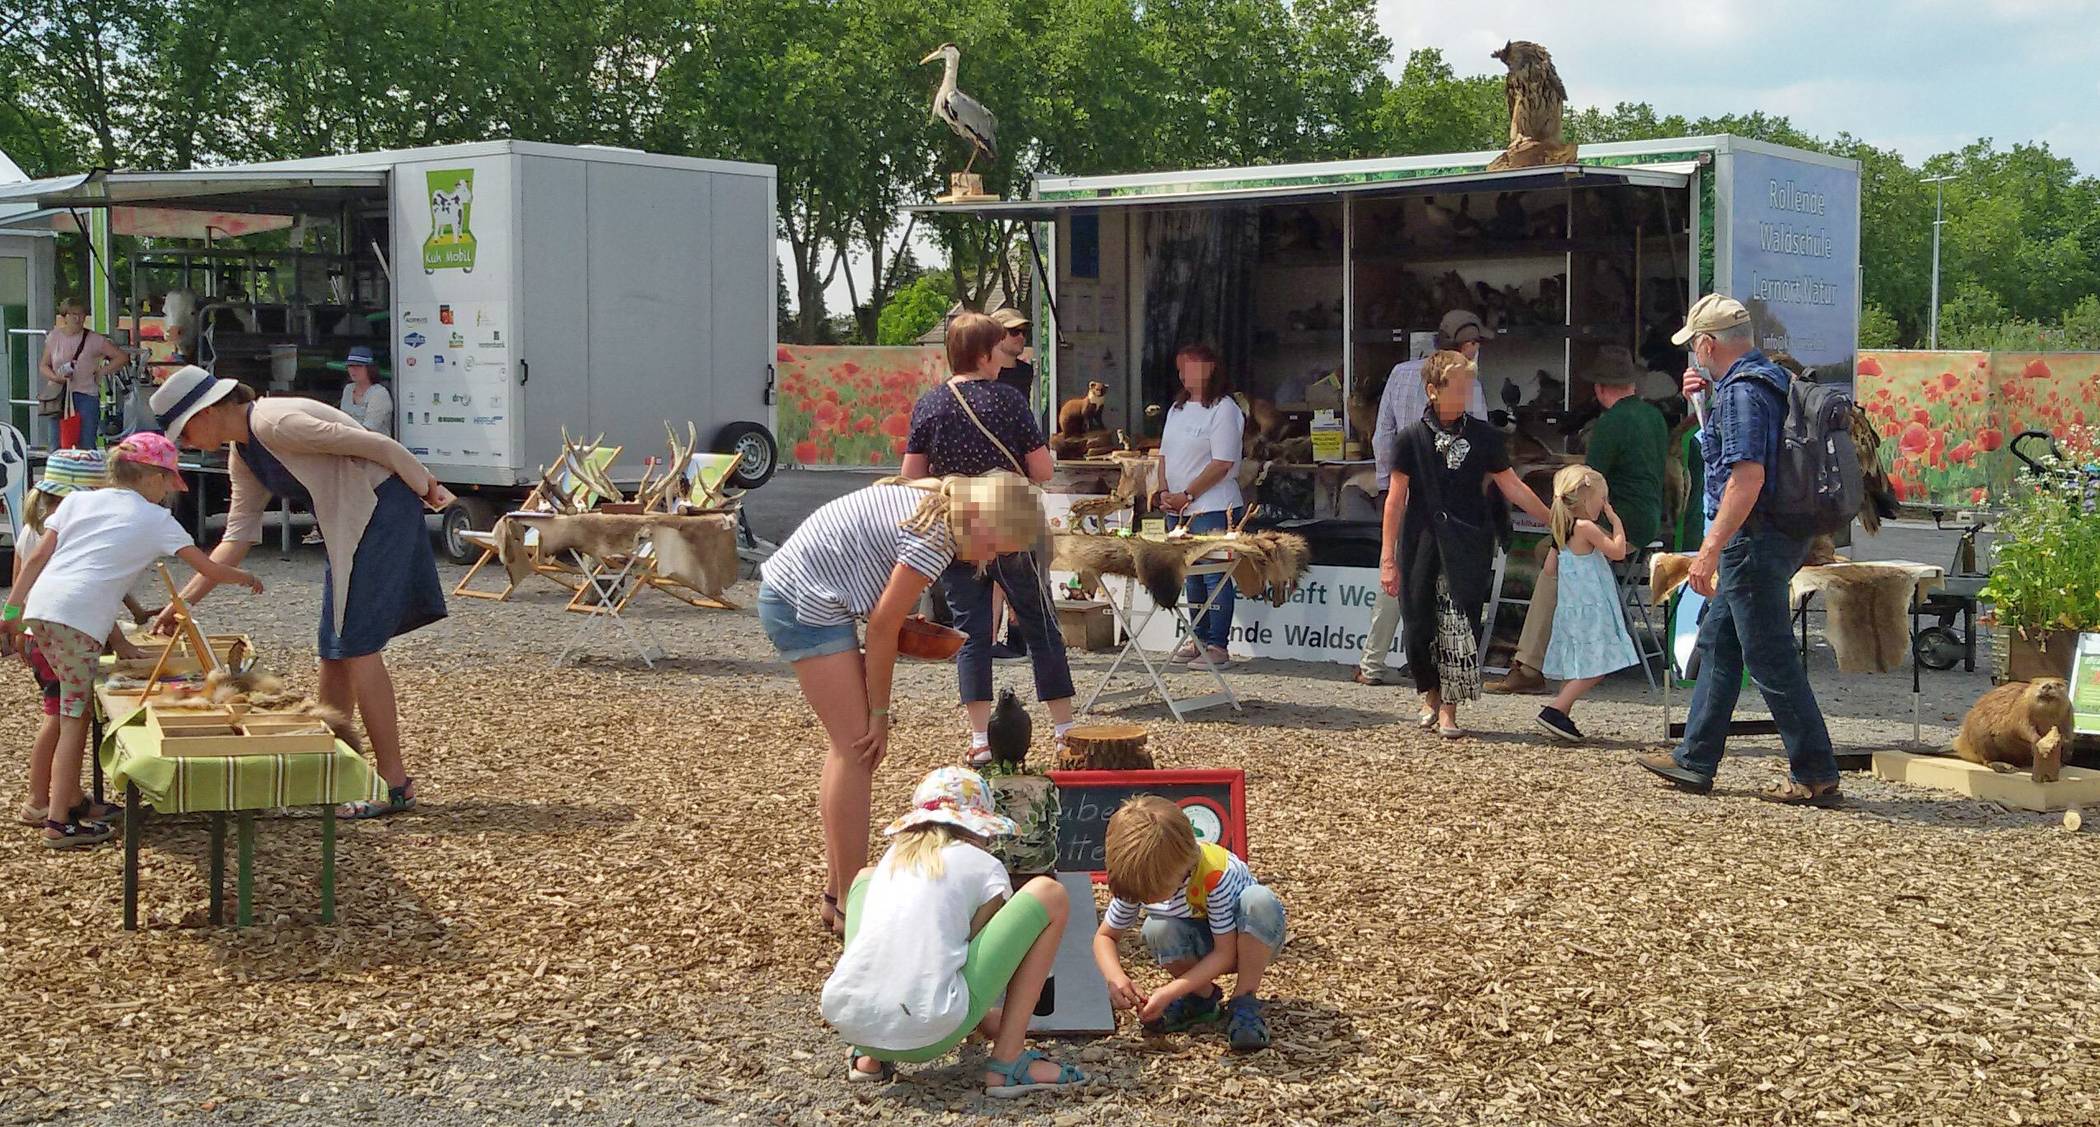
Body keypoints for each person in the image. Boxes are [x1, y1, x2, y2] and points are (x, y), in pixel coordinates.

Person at [149, 365, 454, 820]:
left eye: (185, 430)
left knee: (358, 646)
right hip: (347, 527)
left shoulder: (276, 421)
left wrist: (429, 487)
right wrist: (184, 603)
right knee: (332, 649)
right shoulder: (243, 452)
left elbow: (378, 444)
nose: (186, 442)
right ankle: (328, 770)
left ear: (208, 410)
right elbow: (238, 535)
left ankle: (395, 784)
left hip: (380, 513)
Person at [756, 472, 1047, 936]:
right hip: (803, 603)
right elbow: (880, 629)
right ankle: (856, 906)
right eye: (997, 547)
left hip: (797, 592)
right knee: (860, 750)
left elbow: (871, 562)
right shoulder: (935, 538)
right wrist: (880, 713)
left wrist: (888, 612)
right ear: (982, 521)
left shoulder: (937, 496)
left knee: (846, 751)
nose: (992, 560)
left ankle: (837, 898)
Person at [4, 434, 263, 848]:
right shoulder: (156, 519)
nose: (167, 491)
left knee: (73, 710)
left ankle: (65, 802)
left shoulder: (78, 501)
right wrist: (246, 577)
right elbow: (208, 568)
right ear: (149, 477)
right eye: (166, 481)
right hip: (79, 621)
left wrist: (11, 615)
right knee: (75, 717)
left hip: (42, 611)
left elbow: (35, 561)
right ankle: (58, 822)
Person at [1636, 295, 1841, 806]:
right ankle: (1694, 758)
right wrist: (1703, 401)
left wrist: (1707, 551)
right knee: (1719, 643)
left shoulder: (1741, 394)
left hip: (1753, 540)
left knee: (1770, 658)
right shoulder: (1767, 380)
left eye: (1696, 346)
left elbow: (1745, 479)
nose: (1695, 356)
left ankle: (1816, 771)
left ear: (1707, 343)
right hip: (1776, 535)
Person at [822, 766, 1086, 1095]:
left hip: (853, 1024)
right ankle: (1009, 1061)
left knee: (863, 878)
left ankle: (868, 1059)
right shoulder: (984, 867)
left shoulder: (890, 861)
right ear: (978, 826)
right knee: (1050, 894)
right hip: (929, 1029)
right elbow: (974, 951)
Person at [901, 313, 1075, 762]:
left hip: (956, 529)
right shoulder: (1009, 401)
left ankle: (980, 740)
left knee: (971, 632)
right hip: (1010, 525)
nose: (1005, 355)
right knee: (1040, 626)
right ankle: (1064, 732)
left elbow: (911, 477)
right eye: (1000, 347)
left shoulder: (929, 404)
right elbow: (1042, 470)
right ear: (983, 354)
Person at [1380, 351, 1553, 738]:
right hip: (1421, 540)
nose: (1464, 395)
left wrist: (1551, 517)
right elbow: (1395, 500)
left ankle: (1449, 711)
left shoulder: (1484, 436)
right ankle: (1430, 692)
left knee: (1459, 623)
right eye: (1456, 388)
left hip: (1469, 540)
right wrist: (1387, 558)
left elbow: (1512, 485)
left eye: (1468, 387)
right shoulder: (1410, 439)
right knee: (1420, 625)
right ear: (1433, 390)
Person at [1492, 345, 1668, 694]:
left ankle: (1530, 662)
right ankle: (1570, 636)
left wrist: (1560, 541)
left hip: (1614, 523)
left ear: (1601, 389)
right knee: (1558, 562)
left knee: (1549, 561)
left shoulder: (1611, 424)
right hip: (1645, 521)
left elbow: (1587, 488)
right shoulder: (1655, 418)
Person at [1358, 310, 1490, 686]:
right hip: (1448, 498)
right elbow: (1475, 440)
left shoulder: (1400, 373)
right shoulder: (1470, 385)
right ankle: (1430, 663)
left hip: (1403, 486)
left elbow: (1382, 432)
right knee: (1442, 579)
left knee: (1397, 572)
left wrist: (1388, 480)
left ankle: (1373, 661)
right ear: (1467, 346)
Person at [1092, 795, 1286, 1052]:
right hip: (1206, 939)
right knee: (1157, 928)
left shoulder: (1215, 875)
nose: (1146, 900)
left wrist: (1169, 992)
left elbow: (1225, 955)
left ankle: (1244, 1000)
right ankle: (1202, 999)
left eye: (1153, 894)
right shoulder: (1141, 877)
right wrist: (1116, 978)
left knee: (1257, 900)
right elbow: (1104, 937)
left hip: (1250, 938)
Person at [12, 451, 125, 829]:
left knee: (61, 718)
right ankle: (39, 800)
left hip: (36, 634)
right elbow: (88, 593)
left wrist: (14, 625)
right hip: (57, 637)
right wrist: (121, 642)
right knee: (61, 720)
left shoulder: (33, 529)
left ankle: (68, 796)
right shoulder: (71, 532)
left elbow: (20, 581)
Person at [1532, 466, 1639, 742]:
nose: (1603, 506)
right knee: (1596, 666)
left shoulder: (1561, 534)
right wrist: (1616, 523)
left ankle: (1563, 711)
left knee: (1581, 663)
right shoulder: (1585, 527)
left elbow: (1549, 570)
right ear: (1586, 499)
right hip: (1592, 609)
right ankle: (1555, 709)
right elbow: (1617, 552)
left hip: (1571, 610)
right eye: (1601, 501)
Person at [1158, 342, 1245, 669]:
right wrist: (1164, 490)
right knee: (1191, 576)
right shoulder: (1177, 409)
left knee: (1214, 577)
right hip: (1179, 509)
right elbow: (1164, 454)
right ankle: (1197, 638)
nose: (1183, 373)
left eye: (1191, 366)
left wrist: (1189, 494)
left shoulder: (1224, 409)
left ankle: (1217, 645)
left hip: (1212, 507)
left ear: (1210, 369)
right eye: (1181, 367)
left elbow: (1222, 463)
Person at [40, 298, 130, 450]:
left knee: (86, 442)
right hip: (59, 395)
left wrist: (101, 372)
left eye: (81, 314)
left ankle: (87, 471)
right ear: (64, 316)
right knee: (57, 442)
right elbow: (44, 365)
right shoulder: (54, 337)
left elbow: (121, 357)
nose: (78, 318)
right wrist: (55, 377)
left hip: (86, 394)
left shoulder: (94, 339)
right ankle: (59, 471)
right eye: (73, 314)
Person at [989, 307, 1035, 401]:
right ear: (997, 334)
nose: (1021, 337)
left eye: (1024, 332)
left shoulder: (1025, 371)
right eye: (1015, 332)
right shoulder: (984, 371)